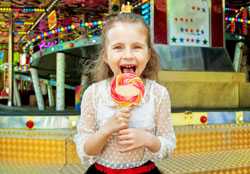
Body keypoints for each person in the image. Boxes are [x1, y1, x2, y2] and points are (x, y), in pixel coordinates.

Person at [74, 13, 176, 174]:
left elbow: (168, 143)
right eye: (118, 47)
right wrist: (106, 130)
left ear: (148, 55)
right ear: (106, 56)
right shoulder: (93, 94)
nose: (128, 55)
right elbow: (86, 149)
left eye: (137, 47)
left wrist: (149, 140)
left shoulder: (158, 94)